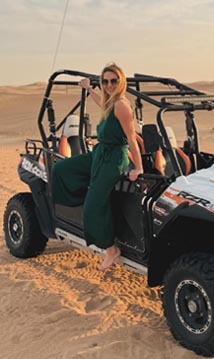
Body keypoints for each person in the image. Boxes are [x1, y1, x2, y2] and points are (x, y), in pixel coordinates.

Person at [51, 63, 143, 271]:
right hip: (100, 154)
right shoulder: (110, 103)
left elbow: (131, 138)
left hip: (113, 160)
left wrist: (138, 167)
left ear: (121, 82)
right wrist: (89, 88)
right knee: (61, 169)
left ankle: (111, 250)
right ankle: (83, 197)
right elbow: (102, 102)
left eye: (113, 81)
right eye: (105, 81)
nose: (109, 85)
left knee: (93, 207)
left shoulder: (121, 105)